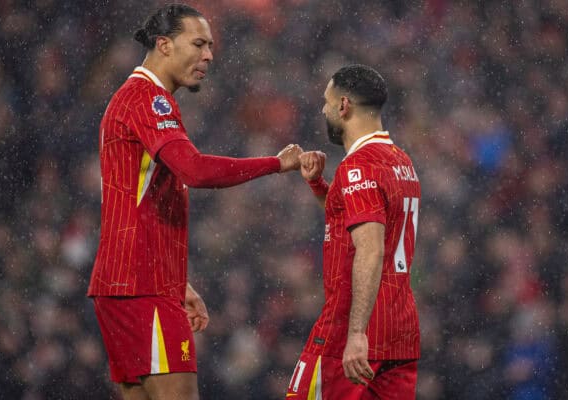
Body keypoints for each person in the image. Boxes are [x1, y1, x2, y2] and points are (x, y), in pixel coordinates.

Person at [86, 4, 303, 400]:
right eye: (199, 43)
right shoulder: (149, 100)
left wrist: (176, 280)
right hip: (142, 287)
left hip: (128, 282)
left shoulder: (132, 98)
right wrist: (277, 163)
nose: (209, 55)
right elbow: (196, 170)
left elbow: (136, 201)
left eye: (211, 46)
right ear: (165, 45)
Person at [287, 64, 421, 399]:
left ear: (343, 105)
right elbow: (357, 221)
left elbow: (371, 248)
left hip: (349, 331)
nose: (323, 109)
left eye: (326, 101)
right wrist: (318, 186)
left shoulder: (358, 166)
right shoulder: (401, 162)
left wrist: (357, 332)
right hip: (399, 334)